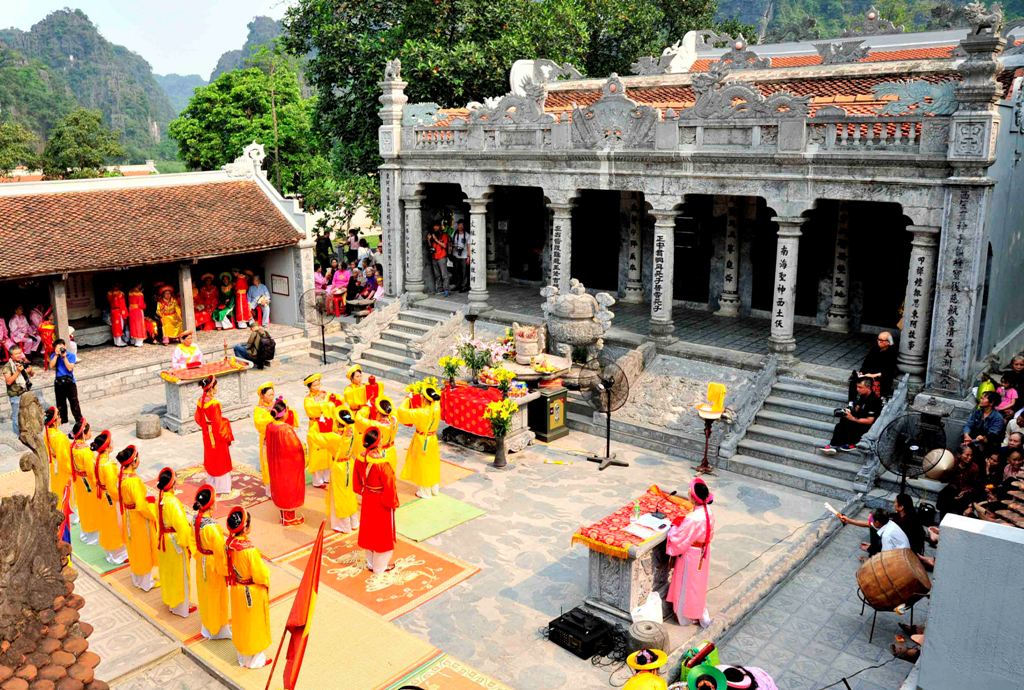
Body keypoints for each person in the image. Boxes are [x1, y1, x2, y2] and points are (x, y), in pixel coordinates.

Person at [666, 477, 715, 628]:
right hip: (703, 552)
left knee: (686, 585)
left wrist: (673, 528)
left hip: (691, 556)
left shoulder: (693, 518)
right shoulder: (709, 511)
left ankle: (685, 618)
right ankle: (699, 612)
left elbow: (678, 537)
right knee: (698, 586)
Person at [225, 506, 271, 668]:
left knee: (240, 622)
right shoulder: (249, 550)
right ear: (245, 528)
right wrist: (266, 581)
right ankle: (255, 660)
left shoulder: (229, 544)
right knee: (253, 624)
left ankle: (242, 656)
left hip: (237, 588)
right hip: (249, 591)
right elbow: (261, 574)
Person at [354, 427, 399, 574]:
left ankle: (371, 563)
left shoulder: (360, 458)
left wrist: (362, 491)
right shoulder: (382, 463)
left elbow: (356, 481)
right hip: (381, 500)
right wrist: (392, 503)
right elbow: (390, 485)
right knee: (381, 534)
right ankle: (380, 567)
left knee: (369, 530)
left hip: (368, 496)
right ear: (378, 443)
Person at [116, 445, 158, 591]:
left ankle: (137, 579)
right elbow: (141, 505)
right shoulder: (134, 481)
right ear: (134, 461)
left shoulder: (122, 476)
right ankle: (146, 582)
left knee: (133, 547)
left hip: (128, 515)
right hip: (138, 518)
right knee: (142, 548)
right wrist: (152, 514)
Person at [192, 485, 231, 640]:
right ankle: (218, 629)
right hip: (213, 564)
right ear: (211, 505)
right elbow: (220, 552)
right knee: (217, 595)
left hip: (201, 560)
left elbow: (192, 541)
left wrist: (198, 555)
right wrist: (226, 571)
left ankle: (207, 625)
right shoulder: (212, 527)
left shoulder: (195, 519)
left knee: (205, 594)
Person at [156, 467, 195, 617]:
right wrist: (186, 544)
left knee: (168, 572)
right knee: (180, 575)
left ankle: (171, 601)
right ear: (173, 483)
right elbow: (182, 527)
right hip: (174, 542)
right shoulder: (172, 502)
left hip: (164, 540)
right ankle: (181, 607)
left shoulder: (161, 498)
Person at [265, 397, 307, 526]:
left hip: (275, 461)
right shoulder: (286, 429)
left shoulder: (270, 426)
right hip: (287, 464)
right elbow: (295, 447)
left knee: (280, 488)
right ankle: (289, 519)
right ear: (284, 413)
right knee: (289, 488)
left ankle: (284, 516)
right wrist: (304, 449)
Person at [397, 386, 443, 499]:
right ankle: (434, 488)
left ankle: (425, 491)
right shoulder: (436, 408)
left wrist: (407, 399)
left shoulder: (422, 412)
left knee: (423, 465)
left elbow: (402, 412)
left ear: (425, 399)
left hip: (422, 441)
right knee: (432, 464)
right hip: (432, 439)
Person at [91, 430, 128, 564]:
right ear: (106, 448)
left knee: (106, 524)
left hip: (102, 496)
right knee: (114, 525)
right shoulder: (107, 465)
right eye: (110, 444)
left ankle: (110, 552)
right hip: (110, 498)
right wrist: (122, 497)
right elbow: (112, 487)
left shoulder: (97, 460)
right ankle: (117, 555)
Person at [819, 377, 882, 454]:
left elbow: (869, 421)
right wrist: (847, 411)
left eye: (860, 387)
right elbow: (857, 409)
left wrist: (853, 418)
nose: (857, 389)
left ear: (868, 387)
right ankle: (833, 445)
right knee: (842, 422)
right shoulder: (862, 396)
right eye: (857, 387)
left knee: (848, 424)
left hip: (867, 427)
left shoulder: (874, 400)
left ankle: (851, 444)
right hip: (858, 420)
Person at [195, 376, 234, 496]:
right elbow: (218, 424)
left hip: (207, 433)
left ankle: (211, 483)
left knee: (211, 457)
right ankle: (222, 487)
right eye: (216, 385)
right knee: (221, 459)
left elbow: (197, 418)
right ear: (211, 387)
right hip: (216, 436)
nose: (217, 388)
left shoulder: (200, 400)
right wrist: (226, 435)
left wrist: (206, 426)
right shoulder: (214, 403)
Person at [303, 372, 341, 488]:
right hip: (316, 425)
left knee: (328, 450)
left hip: (327, 425)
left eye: (319, 384)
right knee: (317, 451)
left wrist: (331, 401)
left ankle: (327, 477)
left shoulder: (325, 394)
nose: (317, 387)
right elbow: (312, 410)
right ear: (309, 387)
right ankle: (317, 480)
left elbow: (337, 400)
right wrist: (325, 403)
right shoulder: (308, 400)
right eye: (314, 385)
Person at [327, 408, 360, 533]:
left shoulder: (335, 437)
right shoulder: (352, 433)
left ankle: (343, 525)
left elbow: (316, 438)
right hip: (349, 464)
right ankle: (354, 521)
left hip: (339, 467)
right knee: (350, 494)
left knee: (340, 496)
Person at [69, 419, 99, 545]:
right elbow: (91, 471)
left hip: (80, 482)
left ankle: (87, 531)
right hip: (88, 483)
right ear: (83, 434)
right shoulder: (85, 452)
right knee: (92, 507)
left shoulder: (74, 447)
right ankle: (93, 534)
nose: (91, 432)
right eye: (89, 430)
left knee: (83, 507)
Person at [4, 345, 44, 436]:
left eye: (20, 353)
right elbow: (9, 382)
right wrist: (18, 371)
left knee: (28, 413)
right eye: (16, 354)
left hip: (26, 392)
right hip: (16, 395)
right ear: (11, 356)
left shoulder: (22, 362)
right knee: (16, 416)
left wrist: (30, 371)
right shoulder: (7, 367)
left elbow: (32, 374)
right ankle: (17, 435)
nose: (19, 355)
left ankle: (29, 432)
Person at [848, 331, 898, 401]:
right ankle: (851, 403)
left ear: (888, 342)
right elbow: (866, 363)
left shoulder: (892, 352)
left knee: (870, 385)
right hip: (869, 374)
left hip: (881, 378)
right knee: (854, 380)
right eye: (878, 340)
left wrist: (872, 375)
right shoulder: (874, 349)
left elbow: (889, 371)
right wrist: (862, 372)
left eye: (881, 340)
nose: (879, 342)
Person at [356, 395, 399, 472]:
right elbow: (394, 412)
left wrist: (366, 407)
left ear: (378, 412)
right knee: (389, 477)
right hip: (391, 452)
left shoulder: (375, 424)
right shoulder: (394, 421)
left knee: (376, 480)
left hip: (378, 455)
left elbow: (358, 419)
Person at [937, 444, 980, 519]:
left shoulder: (974, 468)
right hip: (953, 489)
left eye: (971, 455)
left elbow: (975, 485)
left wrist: (965, 491)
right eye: (967, 455)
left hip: (966, 492)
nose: (969, 458)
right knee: (945, 496)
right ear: (959, 455)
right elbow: (943, 479)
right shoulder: (953, 463)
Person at [45, 338, 81, 425]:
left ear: (65, 346)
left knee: (74, 403)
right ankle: (64, 422)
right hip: (59, 383)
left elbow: (69, 368)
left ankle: (79, 422)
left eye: (62, 346)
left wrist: (64, 357)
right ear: (55, 349)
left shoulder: (71, 355)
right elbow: (51, 366)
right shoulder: (54, 355)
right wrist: (57, 355)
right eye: (58, 347)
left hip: (70, 382)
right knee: (61, 405)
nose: (61, 349)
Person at [43, 406, 73, 509]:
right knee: (66, 490)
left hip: (54, 466)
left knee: (57, 489)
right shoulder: (59, 437)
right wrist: (71, 470)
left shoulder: (47, 434)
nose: (60, 419)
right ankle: (67, 511)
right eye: (59, 417)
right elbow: (64, 458)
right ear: (55, 421)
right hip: (62, 468)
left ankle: (59, 507)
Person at [252, 381, 277, 498]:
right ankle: (270, 490)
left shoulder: (275, 404)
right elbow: (259, 424)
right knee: (268, 463)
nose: (272, 397)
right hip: (267, 439)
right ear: (262, 396)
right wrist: (272, 414)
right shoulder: (259, 410)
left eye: (273, 394)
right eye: (269, 395)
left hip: (277, 437)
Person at [427, 225, 450, 296]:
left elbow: (445, 246)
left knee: (444, 275)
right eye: (434, 226)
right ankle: (440, 289)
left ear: (439, 227)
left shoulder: (444, 235)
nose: (435, 228)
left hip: (442, 257)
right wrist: (429, 240)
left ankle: (446, 290)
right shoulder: (432, 235)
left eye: (437, 226)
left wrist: (436, 239)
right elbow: (430, 247)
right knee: (437, 275)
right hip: (434, 257)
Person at [450, 221, 470, 292]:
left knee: (464, 272)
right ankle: (458, 285)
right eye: (459, 225)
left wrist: (468, 257)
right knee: (456, 271)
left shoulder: (467, 235)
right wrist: (453, 247)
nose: (460, 226)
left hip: (464, 256)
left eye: (461, 225)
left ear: (464, 226)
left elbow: (468, 246)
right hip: (456, 255)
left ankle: (464, 286)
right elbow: (451, 243)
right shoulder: (454, 234)